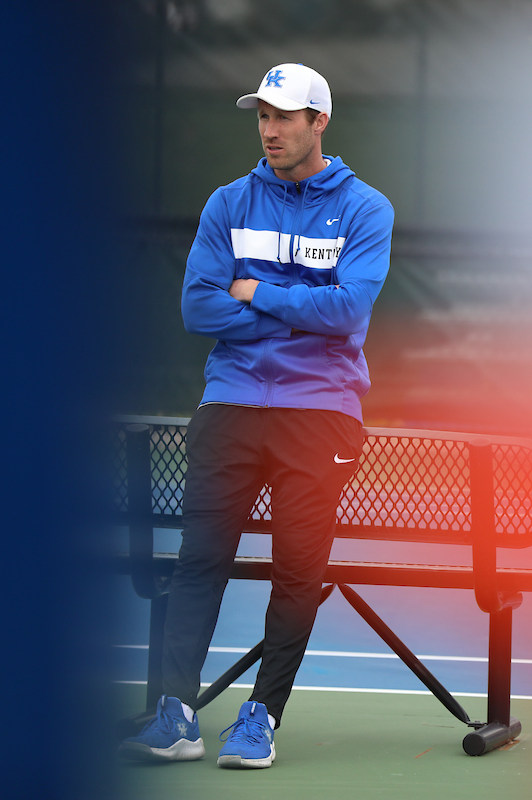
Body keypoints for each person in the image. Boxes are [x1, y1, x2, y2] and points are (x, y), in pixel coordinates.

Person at [119, 63, 394, 769]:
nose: (270, 130)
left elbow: (347, 312)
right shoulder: (228, 203)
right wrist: (296, 312)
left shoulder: (367, 210)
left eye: (284, 116)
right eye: (262, 116)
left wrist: (258, 294)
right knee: (200, 562)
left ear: (318, 122)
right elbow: (198, 308)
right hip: (231, 404)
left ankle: (260, 718)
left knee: (297, 571)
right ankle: (176, 716)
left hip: (322, 416)